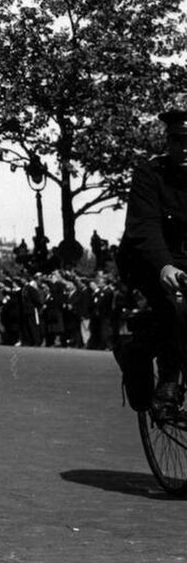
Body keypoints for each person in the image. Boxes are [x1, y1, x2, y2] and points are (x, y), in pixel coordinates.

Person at [120, 105, 187, 416]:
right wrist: (164, 266)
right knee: (171, 305)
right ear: (168, 141)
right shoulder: (150, 173)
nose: (184, 148)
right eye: (177, 140)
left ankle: (146, 335)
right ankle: (169, 383)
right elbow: (145, 227)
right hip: (148, 258)